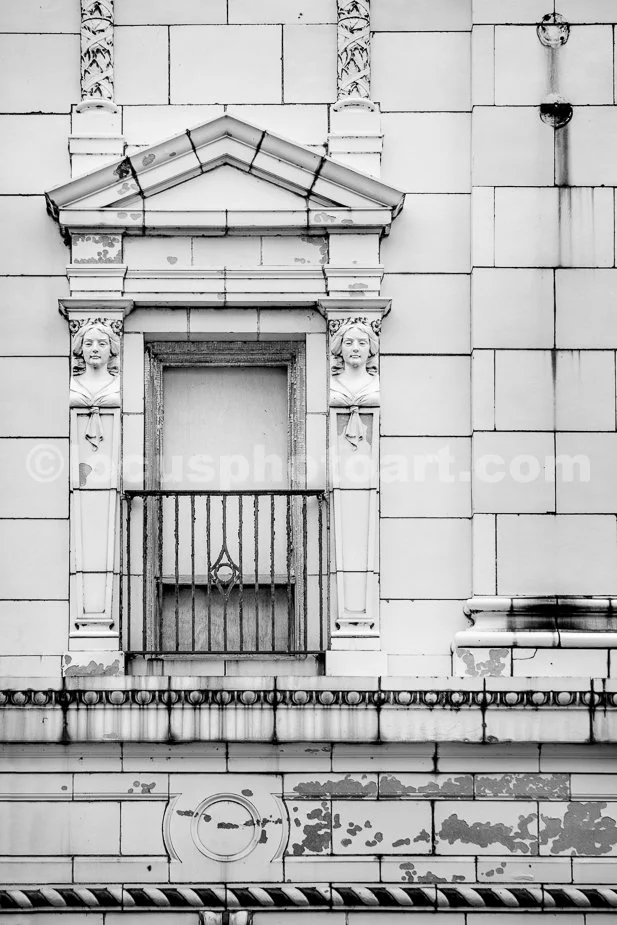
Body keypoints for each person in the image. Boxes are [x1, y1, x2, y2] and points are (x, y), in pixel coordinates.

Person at [69, 320, 121, 449]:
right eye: (88, 344)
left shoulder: (117, 384)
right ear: (80, 349)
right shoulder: (74, 383)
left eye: (102, 344)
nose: (95, 349)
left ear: (111, 349)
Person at [329, 319, 380, 449]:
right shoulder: (332, 383)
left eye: (362, 343)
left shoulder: (375, 383)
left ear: (370, 349)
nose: (355, 348)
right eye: (348, 343)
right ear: (340, 348)